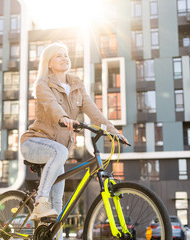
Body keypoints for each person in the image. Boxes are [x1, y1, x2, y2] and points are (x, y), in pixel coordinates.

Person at [20, 42, 128, 224]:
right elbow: (51, 105)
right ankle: (40, 200)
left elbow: (93, 111)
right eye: (59, 55)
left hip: (57, 151)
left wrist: (113, 131)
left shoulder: (77, 85)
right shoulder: (42, 84)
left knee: (58, 207)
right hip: (34, 143)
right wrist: (63, 117)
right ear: (49, 62)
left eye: (66, 55)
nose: (65, 58)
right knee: (60, 154)